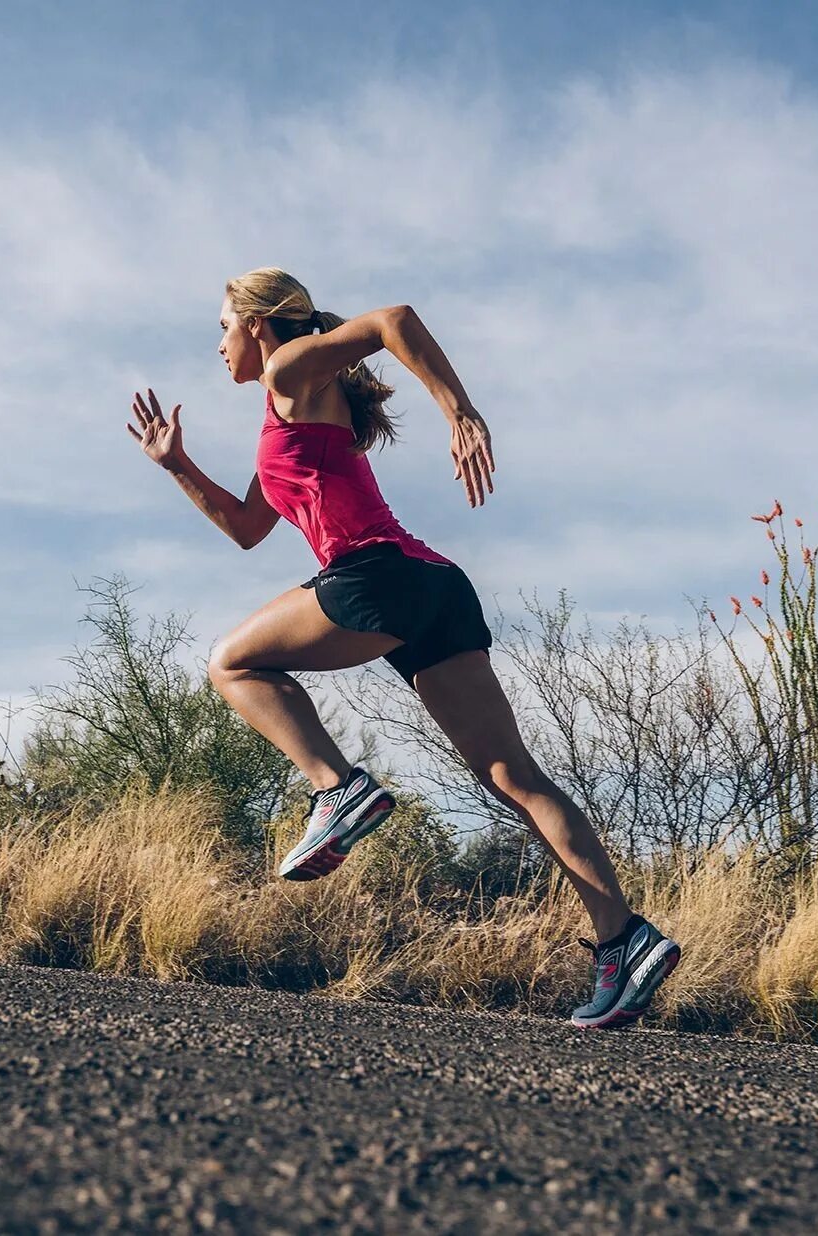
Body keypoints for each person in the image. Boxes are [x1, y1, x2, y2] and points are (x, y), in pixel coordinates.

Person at [124, 267, 680, 1028]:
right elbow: (247, 529)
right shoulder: (286, 412)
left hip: (375, 575)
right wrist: (176, 464)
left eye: (223, 327)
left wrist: (461, 411)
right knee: (512, 777)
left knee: (232, 662)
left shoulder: (289, 368)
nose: (219, 345)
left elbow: (394, 318)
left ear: (258, 324)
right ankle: (625, 941)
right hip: (435, 586)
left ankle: (336, 789)